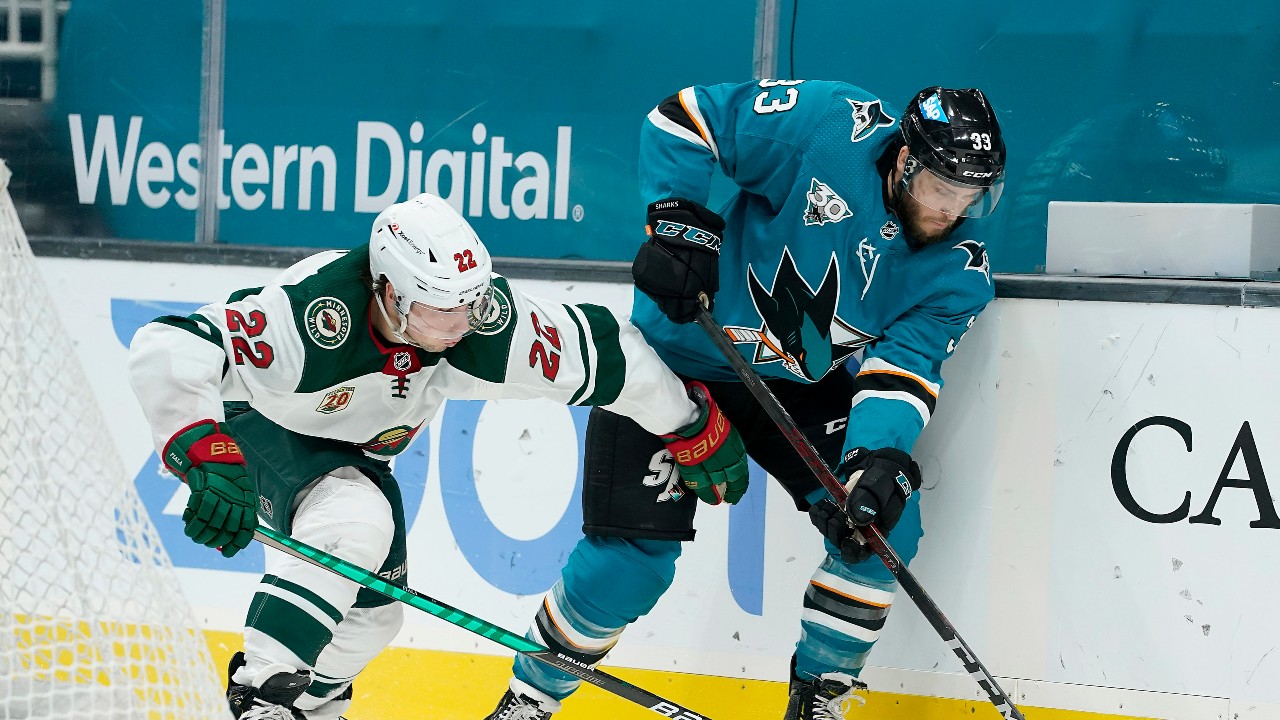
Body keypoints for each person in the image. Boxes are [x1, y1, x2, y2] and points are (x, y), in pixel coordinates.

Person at [486, 80, 1006, 720]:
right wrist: (677, 223)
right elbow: (684, 117)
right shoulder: (828, 127)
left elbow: (901, 372)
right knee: (628, 566)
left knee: (880, 525)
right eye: (940, 190)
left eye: (971, 196)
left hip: (797, 384)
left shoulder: (960, 274)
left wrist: (873, 457)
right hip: (672, 363)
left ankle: (819, 695)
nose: (951, 211)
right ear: (904, 159)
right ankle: (529, 700)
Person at [127, 192, 750, 720]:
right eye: (435, 311)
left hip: (355, 454)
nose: (456, 328)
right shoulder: (310, 318)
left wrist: (688, 422)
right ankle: (263, 690)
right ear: (387, 292)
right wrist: (204, 452)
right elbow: (168, 345)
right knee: (354, 522)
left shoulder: (482, 326)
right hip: (261, 423)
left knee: (372, 620)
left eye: (468, 307)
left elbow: (609, 357)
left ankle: (309, 705)